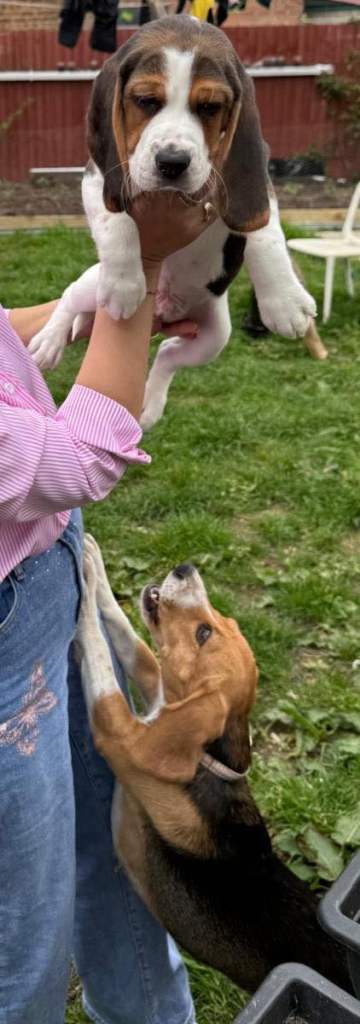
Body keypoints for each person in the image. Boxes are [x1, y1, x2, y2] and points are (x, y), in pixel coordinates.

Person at [0, 192, 213, 1024]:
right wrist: (143, 260)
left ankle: (153, 1014)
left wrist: (74, 311)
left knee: (115, 841)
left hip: (44, 577)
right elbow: (78, 457)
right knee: (24, 920)